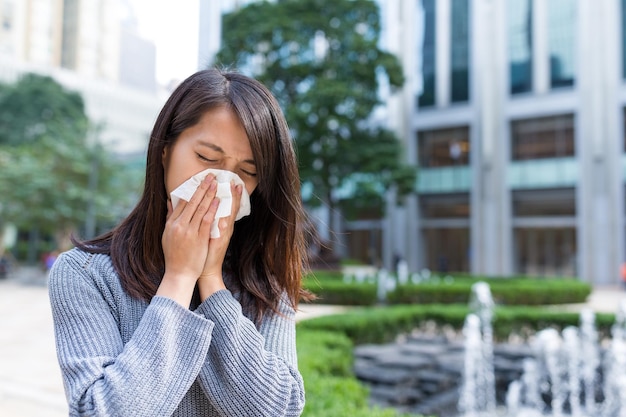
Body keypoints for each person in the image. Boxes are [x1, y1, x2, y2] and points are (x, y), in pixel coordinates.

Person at [48, 68, 314, 416]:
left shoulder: (264, 282)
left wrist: (211, 281)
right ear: (164, 151)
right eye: (206, 157)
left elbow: (277, 410)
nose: (222, 182)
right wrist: (178, 278)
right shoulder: (84, 274)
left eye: (246, 172)